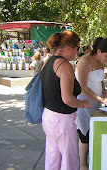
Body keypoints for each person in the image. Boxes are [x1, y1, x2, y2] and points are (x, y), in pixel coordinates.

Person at [40, 30, 91, 170]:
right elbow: (67, 99)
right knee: (70, 159)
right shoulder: (65, 66)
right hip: (62, 120)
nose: (77, 52)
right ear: (69, 48)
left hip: (48, 116)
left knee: (53, 157)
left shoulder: (48, 61)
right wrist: (83, 104)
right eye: (77, 48)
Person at [75, 37, 107, 170]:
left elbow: (100, 80)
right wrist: (100, 98)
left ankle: (92, 160)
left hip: (96, 101)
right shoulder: (85, 61)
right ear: (98, 51)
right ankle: (82, 164)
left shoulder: (101, 61)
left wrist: (104, 92)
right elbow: (83, 87)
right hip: (84, 101)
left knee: (93, 131)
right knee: (84, 133)